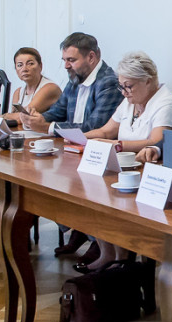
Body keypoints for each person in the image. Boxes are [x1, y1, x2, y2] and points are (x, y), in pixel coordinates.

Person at [80, 51, 172, 270]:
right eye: (121, 86)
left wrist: (117, 145)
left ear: (148, 81)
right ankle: (109, 254)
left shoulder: (166, 103)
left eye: (129, 86)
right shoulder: (129, 101)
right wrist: (79, 138)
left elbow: (156, 141)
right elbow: (106, 131)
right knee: (94, 192)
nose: (124, 92)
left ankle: (123, 259)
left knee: (110, 196)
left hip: (149, 174)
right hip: (124, 169)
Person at [22, 33, 121, 259]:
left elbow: (94, 126)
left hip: (97, 153)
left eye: (71, 60)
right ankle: (78, 229)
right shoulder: (75, 77)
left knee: (61, 180)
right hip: (71, 148)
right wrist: (37, 118)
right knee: (43, 179)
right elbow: (58, 111)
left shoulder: (108, 82)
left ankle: (97, 240)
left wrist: (46, 126)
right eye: (65, 60)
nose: (66, 65)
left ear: (91, 57)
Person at [2, 47, 61, 126]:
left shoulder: (50, 88)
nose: (24, 69)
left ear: (40, 66)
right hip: (26, 132)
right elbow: (12, 120)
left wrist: (3, 116)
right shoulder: (18, 92)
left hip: (48, 133)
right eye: (19, 65)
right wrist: (8, 116)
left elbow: (24, 117)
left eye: (30, 64)